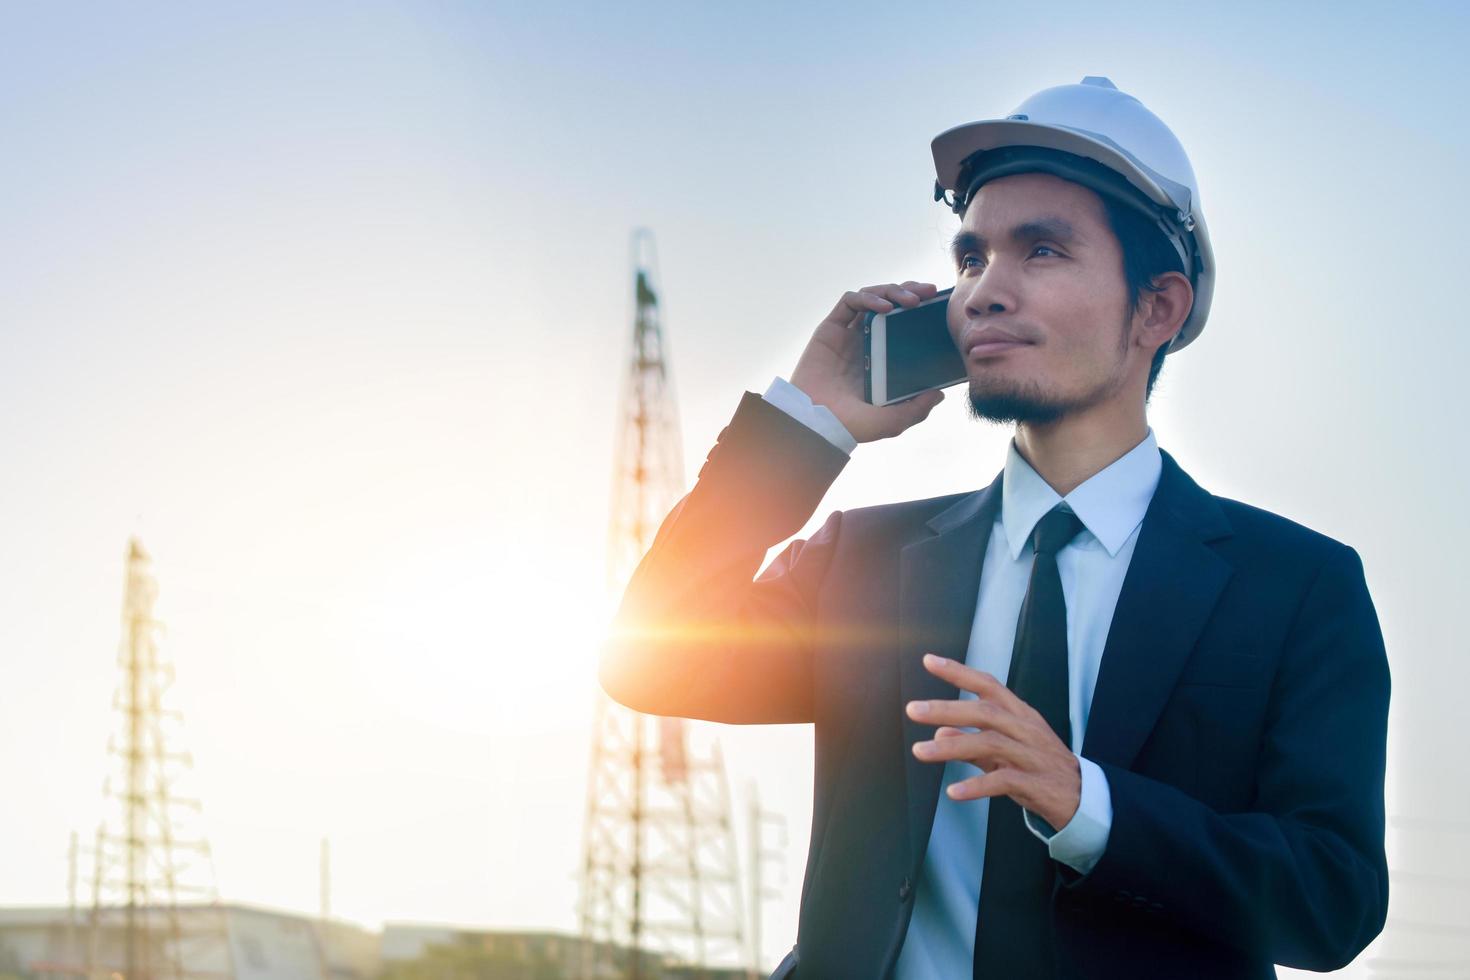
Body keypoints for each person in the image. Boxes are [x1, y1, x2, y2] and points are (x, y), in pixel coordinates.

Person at [599, 77, 1390, 979]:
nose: (983, 292)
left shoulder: (1294, 588)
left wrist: (1087, 804)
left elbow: (1334, 902)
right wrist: (805, 428)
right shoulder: (864, 561)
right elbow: (646, 657)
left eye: (1042, 251)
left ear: (1158, 309)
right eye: (971, 257)